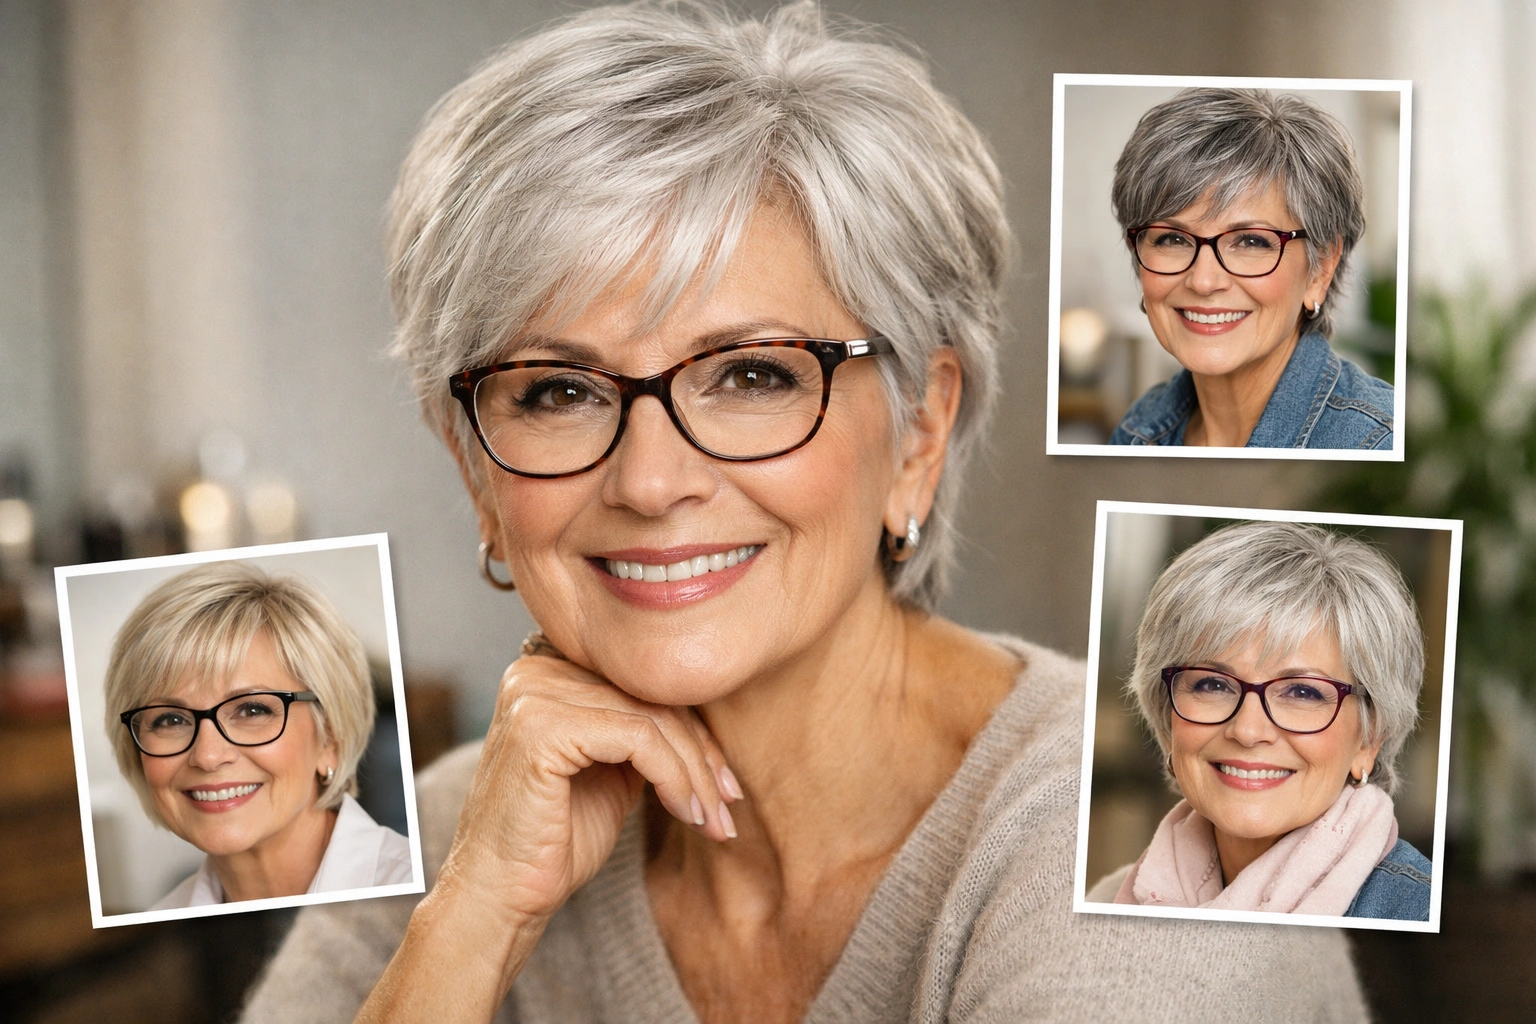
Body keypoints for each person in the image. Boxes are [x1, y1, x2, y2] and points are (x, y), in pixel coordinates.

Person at [242, 4, 1369, 1021]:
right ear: (477, 474)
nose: (648, 479)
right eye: (558, 390)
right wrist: (473, 917)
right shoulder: (460, 831)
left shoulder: (1133, 836)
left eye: (752, 375)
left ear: (919, 432)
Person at [1088, 521, 1432, 920]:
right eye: (1212, 685)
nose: (1248, 731)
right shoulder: (1108, 901)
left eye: (1303, 692)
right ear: (1167, 722)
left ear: (1369, 740)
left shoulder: (1415, 911)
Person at [104, 561, 412, 908]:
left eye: (252, 710)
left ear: (330, 738)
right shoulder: (162, 924)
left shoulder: (431, 895)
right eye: (171, 720)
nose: (208, 755)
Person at [1106, 88, 1395, 449]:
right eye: (1172, 239)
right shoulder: (1138, 429)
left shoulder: (1379, 444)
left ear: (1321, 268)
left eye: (1251, 241)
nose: (1204, 280)